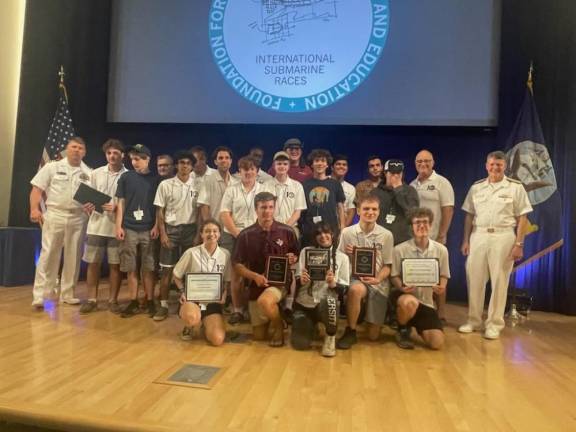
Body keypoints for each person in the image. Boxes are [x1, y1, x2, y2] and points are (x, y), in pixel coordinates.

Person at [458, 151, 532, 340]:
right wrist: (466, 240)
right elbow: (469, 215)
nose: (495, 168)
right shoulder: (477, 188)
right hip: (479, 235)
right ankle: (473, 320)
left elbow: (523, 217)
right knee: (474, 279)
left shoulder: (515, 188)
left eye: (498, 165)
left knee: (499, 281)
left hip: (504, 236)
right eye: (491, 164)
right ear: (486, 165)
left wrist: (519, 243)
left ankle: (494, 323)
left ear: (505, 166)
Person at [29, 137, 92, 309]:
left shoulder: (89, 173)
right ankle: (40, 295)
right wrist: (34, 209)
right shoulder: (52, 167)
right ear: (67, 149)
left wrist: (92, 204)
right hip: (55, 214)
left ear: (84, 152)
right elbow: (37, 189)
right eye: (73, 147)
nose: (76, 150)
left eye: (80, 148)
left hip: (78, 217)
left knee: (73, 256)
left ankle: (67, 294)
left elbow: (93, 199)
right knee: (48, 255)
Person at [233, 192, 299, 346]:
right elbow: (237, 265)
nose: (267, 211)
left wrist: (293, 258)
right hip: (256, 285)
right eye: (263, 207)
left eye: (270, 207)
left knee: (265, 301)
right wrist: (254, 276)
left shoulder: (287, 231)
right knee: (259, 336)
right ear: (256, 209)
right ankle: (277, 316)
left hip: (279, 283)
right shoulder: (245, 235)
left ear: (275, 208)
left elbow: (296, 254)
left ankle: (277, 326)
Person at [336, 195, 394, 349]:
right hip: (357, 278)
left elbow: (388, 266)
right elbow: (339, 260)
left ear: (379, 212)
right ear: (359, 212)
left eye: (374, 209)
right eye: (366, 209)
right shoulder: (347, 233)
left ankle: (364, 315)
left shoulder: (387, 235)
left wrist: (377, 279)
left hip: (377, 282)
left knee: (373, 337)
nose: (370, 212)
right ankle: (351, 330)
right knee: (355, 290)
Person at [390, 207, 450, 350]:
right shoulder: (399, 249)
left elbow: (444, 275)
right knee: (409, 302)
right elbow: (394, 276)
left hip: (427, 303)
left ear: (431, 225)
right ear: (411, 226)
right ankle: (402, 329)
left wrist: (441, 287)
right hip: (406, 297)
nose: (422, 226)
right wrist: (401, 286)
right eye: (417, 223)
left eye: (425, 222)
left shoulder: (441, 250)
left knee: (437, 343)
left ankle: (416, 325)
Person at [80, 139, 128, 314]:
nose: (112, 156)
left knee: (115, 265)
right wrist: (87, 205)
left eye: (116, 153)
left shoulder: (128, 175)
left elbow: (129, 202)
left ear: (122, 155)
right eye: (109, 153)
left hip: (117, 227)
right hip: (96, 226)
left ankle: (112, 300)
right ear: (105, 155)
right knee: (93, 263)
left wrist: (117, 207)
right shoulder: (96, 173)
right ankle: (92, 299)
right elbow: (86, 197)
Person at [153, 150, 199, 321]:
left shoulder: (198, 184)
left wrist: (198, 234)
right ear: (176, 165)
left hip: (190, 230)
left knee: (189, 271)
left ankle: (186, 303)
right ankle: (163, 305)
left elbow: (201, 211)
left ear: (192, 166)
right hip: (171, 230)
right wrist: (163, 233)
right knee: (167, 270)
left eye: (188, 163)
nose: (184, 165)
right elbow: (160, 210)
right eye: (181, 162)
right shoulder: (165, 184)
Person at [115, 144, 160, 318]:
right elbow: (121, 202)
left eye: (140, 158)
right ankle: (133, 301)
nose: (136, 162)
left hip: (148, 228)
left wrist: (156, 225)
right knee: (130, 267)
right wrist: (118, 225)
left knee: (148, 267)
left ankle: (149, 301)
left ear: (148, 159)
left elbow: (159, 207)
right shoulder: (125, 177)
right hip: (129, 227)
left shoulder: (156, 180)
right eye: (133, 158)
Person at [220, 156, 266, 324]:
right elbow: (224, 213)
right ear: (239, 172)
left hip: (257, 235)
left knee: (258, 271)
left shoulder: (263, 190)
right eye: (245, 169)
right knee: (237, 274)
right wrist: (238, 234)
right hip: (234, 234)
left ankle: (257, 308)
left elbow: (268, 213)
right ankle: (237, 310)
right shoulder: (231, 190)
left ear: (257, 171)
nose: (248, 172)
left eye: (252, 169)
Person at [292, 223, 349, 357]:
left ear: (333, 234)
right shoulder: (305, 252)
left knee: (330, 302)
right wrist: (302, 280)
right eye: (318, 233)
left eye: (326, 232)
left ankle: (330, 336)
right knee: (300, 345)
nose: (323, 236)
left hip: (327, 303)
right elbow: (297, 279)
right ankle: (311, 326)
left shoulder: (342, 258)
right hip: (306, 302)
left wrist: (334, 284)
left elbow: (345, 289)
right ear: (314, 237)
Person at [410, 149, 454, 320]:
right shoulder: (413, 184)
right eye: (419, 161)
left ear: (433, 162)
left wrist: (442, 234)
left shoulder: (442, 182)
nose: (423, 164)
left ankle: (441, 312)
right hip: (416, 238)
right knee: (418, 274)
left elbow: (448, 209)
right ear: (415, 164)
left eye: (426, 161)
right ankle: (420, 309)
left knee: (438, 275)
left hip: (436, 237)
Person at [173, 219, 231, 346]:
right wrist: (182, 292)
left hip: (212, 301)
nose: (211, 234)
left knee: (217, 339)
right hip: (192, 300)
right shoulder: (191, 253)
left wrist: (225, 293)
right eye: (207, 231)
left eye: (215, 231)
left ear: (220, 234)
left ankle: (206, 325)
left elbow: (227, 280)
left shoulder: (225, 254)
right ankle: (190, 326)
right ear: (201, 234)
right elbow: (176, 275)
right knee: (192, 317)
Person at [300, 149, 346, 247]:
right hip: (310, 229)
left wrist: (342, 227)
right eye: (316, 160)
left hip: (331, 229)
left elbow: (340, 207)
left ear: (327, 164)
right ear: (312, 165)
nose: (320, 163)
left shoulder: (335, 184)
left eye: (323, 161)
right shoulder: (304, 185)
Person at [372, 159, 419, 245]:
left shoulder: (410, 191)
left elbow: (413, 214)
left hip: (404, 241)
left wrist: (398, 190)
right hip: (381, 241)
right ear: (385, 173)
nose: (396, 176)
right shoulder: (375, 192)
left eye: (399, 173)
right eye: (392, 173)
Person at [263, 151, 307, 231]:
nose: (282, 166)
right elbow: (263, 209)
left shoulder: (297, 186)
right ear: (274, 166)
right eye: (279, 164)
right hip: (269, 227)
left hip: (291, 227)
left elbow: (297, 212)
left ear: (289, 166)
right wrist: (273, 226)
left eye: (285, 164)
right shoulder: (265, 186)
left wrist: (285, 228)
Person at [197, 146, 239, 226]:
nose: (224, 160)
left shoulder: (236, 182)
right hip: (215, 228)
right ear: (215, 162)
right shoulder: (208, 181)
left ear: (231, 161)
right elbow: (204, 207)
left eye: (227, 158)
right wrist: (210, 226)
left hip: (232, 227)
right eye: (220, 158)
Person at [331, 154, 356, 227]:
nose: (341, 166)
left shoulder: (351, 188)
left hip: (343, 226)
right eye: (338, 164)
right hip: (325, 227)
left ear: (347, 168)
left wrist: (344, 228)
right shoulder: (324, 182)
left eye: (344, 165)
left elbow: (351, 210)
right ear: (332, 167)